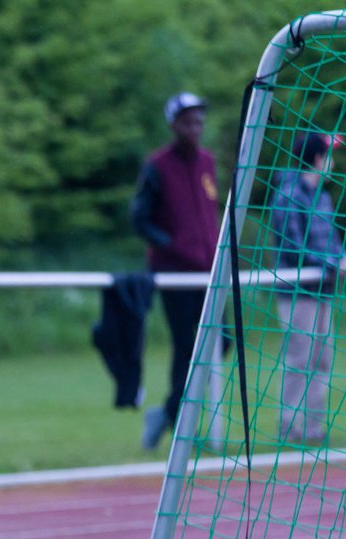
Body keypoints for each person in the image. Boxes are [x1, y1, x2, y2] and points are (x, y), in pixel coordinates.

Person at [131, 91, 222, 450]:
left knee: (222, 340)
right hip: (176, 274)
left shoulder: (207, 162)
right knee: (188, 347)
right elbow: (139, 218)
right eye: (187, 121)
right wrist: (171, 247)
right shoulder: (157, 166)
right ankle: (181, 424)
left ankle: (168, 413)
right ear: (173, 125)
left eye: (198, 120)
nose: (194, 127)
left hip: (207, 271)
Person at [269, 132, 346, 443]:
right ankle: (289, 426)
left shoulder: (323, 196)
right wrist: (333, 264)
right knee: (300, 357)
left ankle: (313, 428)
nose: (333, 162)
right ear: (315, 158)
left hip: (323, 290)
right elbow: (292, 247)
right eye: (328, 155)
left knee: (322, 358)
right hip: (297, 292)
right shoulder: (287, 195)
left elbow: (332, 244)